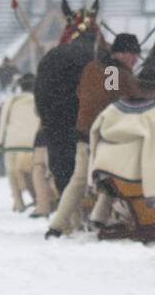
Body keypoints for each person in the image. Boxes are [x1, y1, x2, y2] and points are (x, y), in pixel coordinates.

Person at [45, 34, 141, 238]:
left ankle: (58, 225)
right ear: (121, 53)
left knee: (79, 181)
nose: (135, 60)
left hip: (83, 134)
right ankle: (100, 218)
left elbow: (84, 94)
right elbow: (112, 101)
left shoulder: (91, 68)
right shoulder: (113, 71)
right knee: (120, 174)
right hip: (103, 136)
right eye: (133, 55)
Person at [87, 68, 155, 228]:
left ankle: (99, 216)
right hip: (141, 177)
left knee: (113, 179)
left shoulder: (111, 110)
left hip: (107, 172)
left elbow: (94, 133)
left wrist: (93, 173)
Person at [0, 73, 39, 211]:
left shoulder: (12, 101)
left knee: (12, 172)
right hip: (33, 143)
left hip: (12, 143)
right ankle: (39, 199)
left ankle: (18, 202)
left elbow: (3, 122)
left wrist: (0, 141)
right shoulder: (39, 100)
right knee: (35, 172)